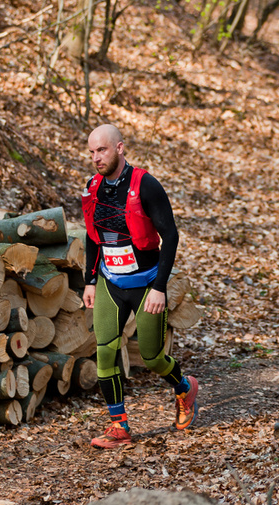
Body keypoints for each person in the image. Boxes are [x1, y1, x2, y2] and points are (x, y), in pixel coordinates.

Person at [81, 124, 199, 448]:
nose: (96, 158)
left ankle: (185, 389)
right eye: (91, 152)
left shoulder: (145, 185)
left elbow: (170, 236)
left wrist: (160, 287)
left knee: (151, 358)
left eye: (101, 150)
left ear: (120, 148)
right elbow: (92, 238)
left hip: (147, 284)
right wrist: (90, 281)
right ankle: (119, 427)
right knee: (104, 352)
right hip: (110, 282)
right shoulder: (93, 188)